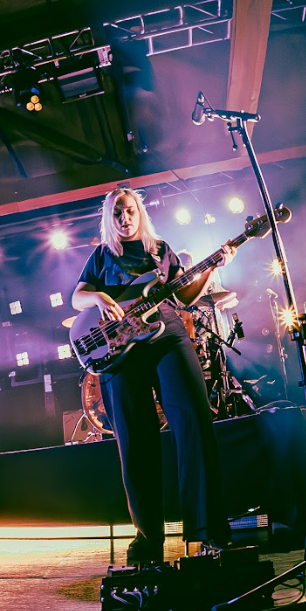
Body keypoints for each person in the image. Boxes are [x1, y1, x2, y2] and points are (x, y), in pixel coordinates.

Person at [72, 188, 233, 564]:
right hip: (120, 350)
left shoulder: (159, 250)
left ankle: (207, 530)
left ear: (139, 212)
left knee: (194, 420)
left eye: (129, 211)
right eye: (117, 213)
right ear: (109, 218)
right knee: (135, 439)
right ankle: (148, 538)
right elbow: (77, 298)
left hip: (166, 335)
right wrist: (98, 298)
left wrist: (213, 266)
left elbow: (185, 296)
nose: (124, 218)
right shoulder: (103, 255)